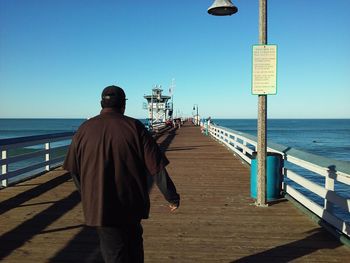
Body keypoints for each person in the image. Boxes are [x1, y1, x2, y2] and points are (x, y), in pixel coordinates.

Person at [63, 85, 180, 263]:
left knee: (113, 253)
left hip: (101, 206)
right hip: (131, 204)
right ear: (123, 105)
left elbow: (74, 170)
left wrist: (87, 195)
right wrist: (172, 196)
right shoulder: (135, 127)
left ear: (101, 103)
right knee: (134, 250)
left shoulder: (84, 129)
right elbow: (156, 168)